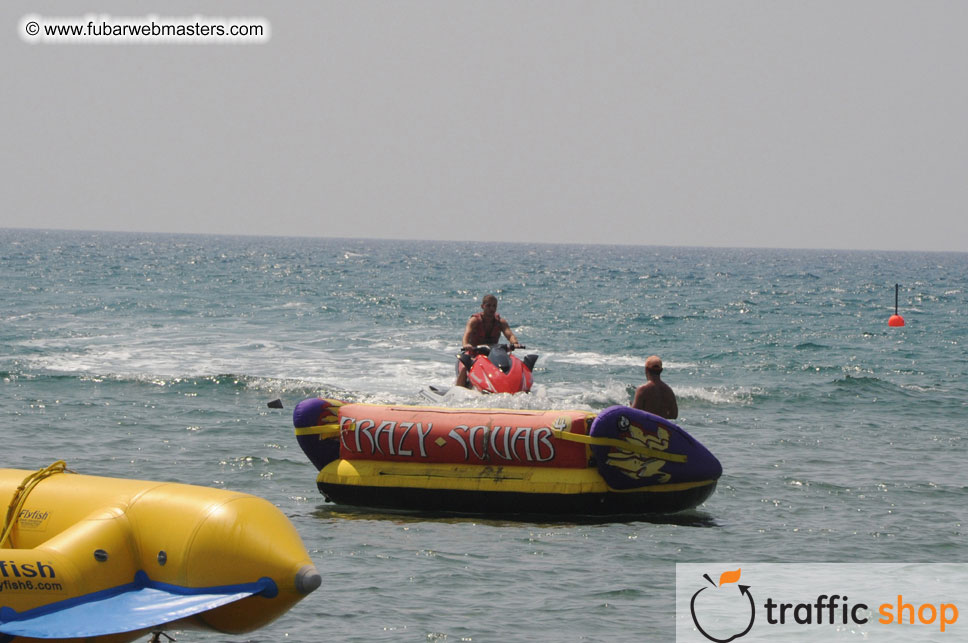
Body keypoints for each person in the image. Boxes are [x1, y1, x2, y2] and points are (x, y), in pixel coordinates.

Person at [455, 294, 521, 387]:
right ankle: (458, 391)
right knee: (465, 367)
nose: (491, 309)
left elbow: (509, 334)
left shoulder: (500, 322)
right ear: (482, 306)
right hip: (474, 352)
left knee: (511, 364)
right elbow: (467, 334)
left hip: (493, 353)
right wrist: (466, 345)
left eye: (494, 306)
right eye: (488, 305)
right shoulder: (474, 320)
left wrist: (515, 343)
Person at [631, 355, 678, 419]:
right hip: (661, 427)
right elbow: (674, 415)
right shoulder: (669, 391)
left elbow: (633, 414)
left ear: (646, 369)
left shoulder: (642, 390)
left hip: (646, 426)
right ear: (661, 370)